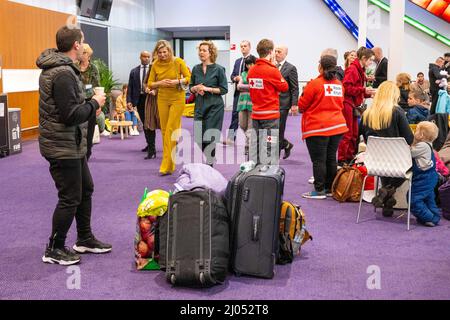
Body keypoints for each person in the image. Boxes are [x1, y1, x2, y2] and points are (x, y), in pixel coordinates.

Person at [37, 26, 112, 265]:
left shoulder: (64, 70)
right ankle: (54, 248)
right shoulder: (62, 73)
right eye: (83, 41)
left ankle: (85, 238)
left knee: (85, 189)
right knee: (70, 197)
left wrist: (89, 106)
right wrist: (93, 103)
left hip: (71, 144)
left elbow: (70, 109)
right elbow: (70, 114)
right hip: (62, 146)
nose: (84, 45)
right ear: (76, 45)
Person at [359, 81, 414, 217]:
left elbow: (366, 141)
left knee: (385, 164)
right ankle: (388, 190)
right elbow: (409, 139)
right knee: (414, 164)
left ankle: (386, 199)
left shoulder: (367, 113)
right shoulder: (397, 111)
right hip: (397, 162)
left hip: (375, 162)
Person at [298, 55, 348, 199]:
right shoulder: (339, 84)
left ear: (320, 66)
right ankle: (329, 188)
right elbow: (341, 102)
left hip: (318, 127)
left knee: (319, 160)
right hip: (337, 126)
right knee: (331, 158)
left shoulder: (314, 84)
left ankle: (319, 190)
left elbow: (302, 106)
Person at [148, 40, 190, 175]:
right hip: (162, 98)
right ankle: (171, 164)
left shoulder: (178, 62)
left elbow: (189, 77)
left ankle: (165, 164)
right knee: (165, 131)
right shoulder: (155, 64)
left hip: (178, 98)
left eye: (164, 52)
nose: (162, 55)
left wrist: (177, 81)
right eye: (159, 53)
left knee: (171, 128)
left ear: (169, 51)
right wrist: (159, 83)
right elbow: (150, 84)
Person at [248, 39, 289, 165]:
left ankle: (255, 173)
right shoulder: (272, 70)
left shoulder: (251, 70)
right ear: (270, 52)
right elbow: (284, 87)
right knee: (270, 146)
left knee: (257, 145)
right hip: (270, 116)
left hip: (256, 114)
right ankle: (269, 175)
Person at [189, 41, 228, 166]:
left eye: (204, 50)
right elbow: (190, 87)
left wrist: (208, 89)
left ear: (211, 53)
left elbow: (224, 89)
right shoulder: (196, 68)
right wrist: (195, 88)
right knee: (198, 137)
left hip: (214, 106)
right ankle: (210, 157)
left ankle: (210, 163)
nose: (201, 52)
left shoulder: (219, 69)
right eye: (200, 50)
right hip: (200, 106)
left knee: (210, 136)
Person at [338, 47, 376, 165]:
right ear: (364, 58)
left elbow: (356, 89)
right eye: (370, 60)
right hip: (348, 104)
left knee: (354, 133)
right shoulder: (353, 70)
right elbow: (347, 88)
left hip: (353, 104)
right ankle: (342, 159)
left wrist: (368, 93)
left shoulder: (359, 69)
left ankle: (349, 157)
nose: (371, 63)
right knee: (348, 133)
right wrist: (364, 89)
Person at [79, 43, 109, 161]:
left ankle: (88, 152)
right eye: (82, 52)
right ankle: (80, 151)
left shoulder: (93, 68)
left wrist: (98, 105)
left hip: (91, 101)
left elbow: (97, 86)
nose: (82, 54)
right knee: (80, 128)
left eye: (85, 53)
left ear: (89, 55)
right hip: (78, 101)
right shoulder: (74, 67)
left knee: (90, 128)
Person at [410, 121, 441, 227]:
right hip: (429, 176)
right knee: (428, 198)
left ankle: (428, 217)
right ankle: (435, 217)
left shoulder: (422, 145)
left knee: (412, 198)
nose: (414, 132)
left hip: (424, 177)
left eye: (416, 130)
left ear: (421, 134)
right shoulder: (428, 145)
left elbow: (409, 152)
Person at [127, 51, 157, 159]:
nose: (146, 58)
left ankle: (152, 149)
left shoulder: (154, 69)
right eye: (144, 56)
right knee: (145, 123)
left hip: (150, 99)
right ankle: (149, 144)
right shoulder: (134, 71)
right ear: (140, 57)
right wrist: (129, 101)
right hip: (138, 99)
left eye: (148, 57)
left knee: (150, 123)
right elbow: (130, 87)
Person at [225, 40, 252, 145]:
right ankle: (231, 138)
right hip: (238, 92)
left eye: (245, 46)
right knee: (235, 114)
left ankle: (249, 140)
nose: (243, 48)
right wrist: (235, 78)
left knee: (249, 118)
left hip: (250, 94)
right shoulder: (237, 61)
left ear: (249, 47)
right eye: (241, 46)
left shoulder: (253, 60)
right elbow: (232, 75)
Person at [275, 45, 299, 159]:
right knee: (271, 130)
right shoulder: (272, 66)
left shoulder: (291, 68)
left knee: (278, 131)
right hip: (271, 103)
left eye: (279, 51)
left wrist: (294, 104)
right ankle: (287, 145)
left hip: (283, 104)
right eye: (275, 51)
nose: (276, 53)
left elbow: (294, 88)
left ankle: (275, 159)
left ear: (285, 53)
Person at [237, 55, 257, 157]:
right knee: (242, 125)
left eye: (252, 63)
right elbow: (238, 86)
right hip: (242, 103)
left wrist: (245, 87)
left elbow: (256, 86)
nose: (250, 66)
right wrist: (250, 87)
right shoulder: (243, 74)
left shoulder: (257, 74)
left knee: (250, 126)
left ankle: (248, 146)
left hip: (253, 103)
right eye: (248, 64)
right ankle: (248, 141)